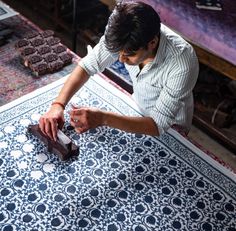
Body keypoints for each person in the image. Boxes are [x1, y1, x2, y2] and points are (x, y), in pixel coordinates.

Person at [39, 1, 199, 141]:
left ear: (152, 43)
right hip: (140, 107)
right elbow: (87, 66)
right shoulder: (122, 32)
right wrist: (58, 105)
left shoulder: (182, 63)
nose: (121, 60)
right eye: (118, 53)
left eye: (129, 56)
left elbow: (158, 124)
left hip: (171, 127)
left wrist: (102, 118)